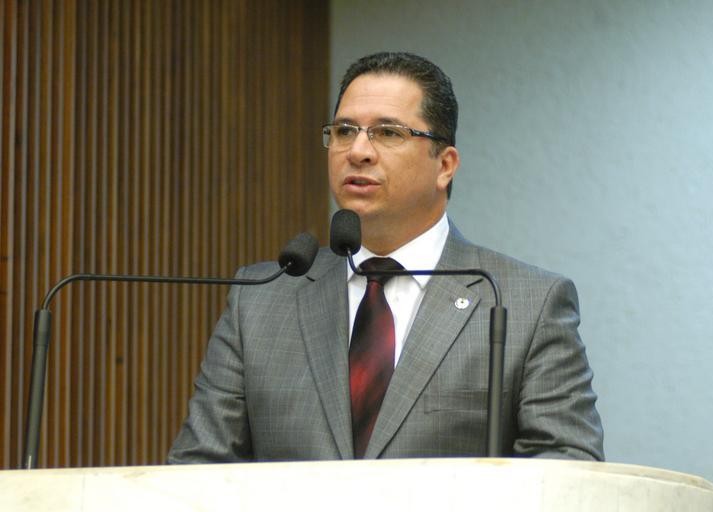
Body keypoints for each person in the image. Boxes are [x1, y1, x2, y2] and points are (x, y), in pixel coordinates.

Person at [168, 52, 604, 463]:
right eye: (344, 131)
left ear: (445, 165)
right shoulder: (260, 302)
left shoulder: (526, 303)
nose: (357, 151)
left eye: (388, 133)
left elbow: (566, 472)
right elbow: (197, 471)